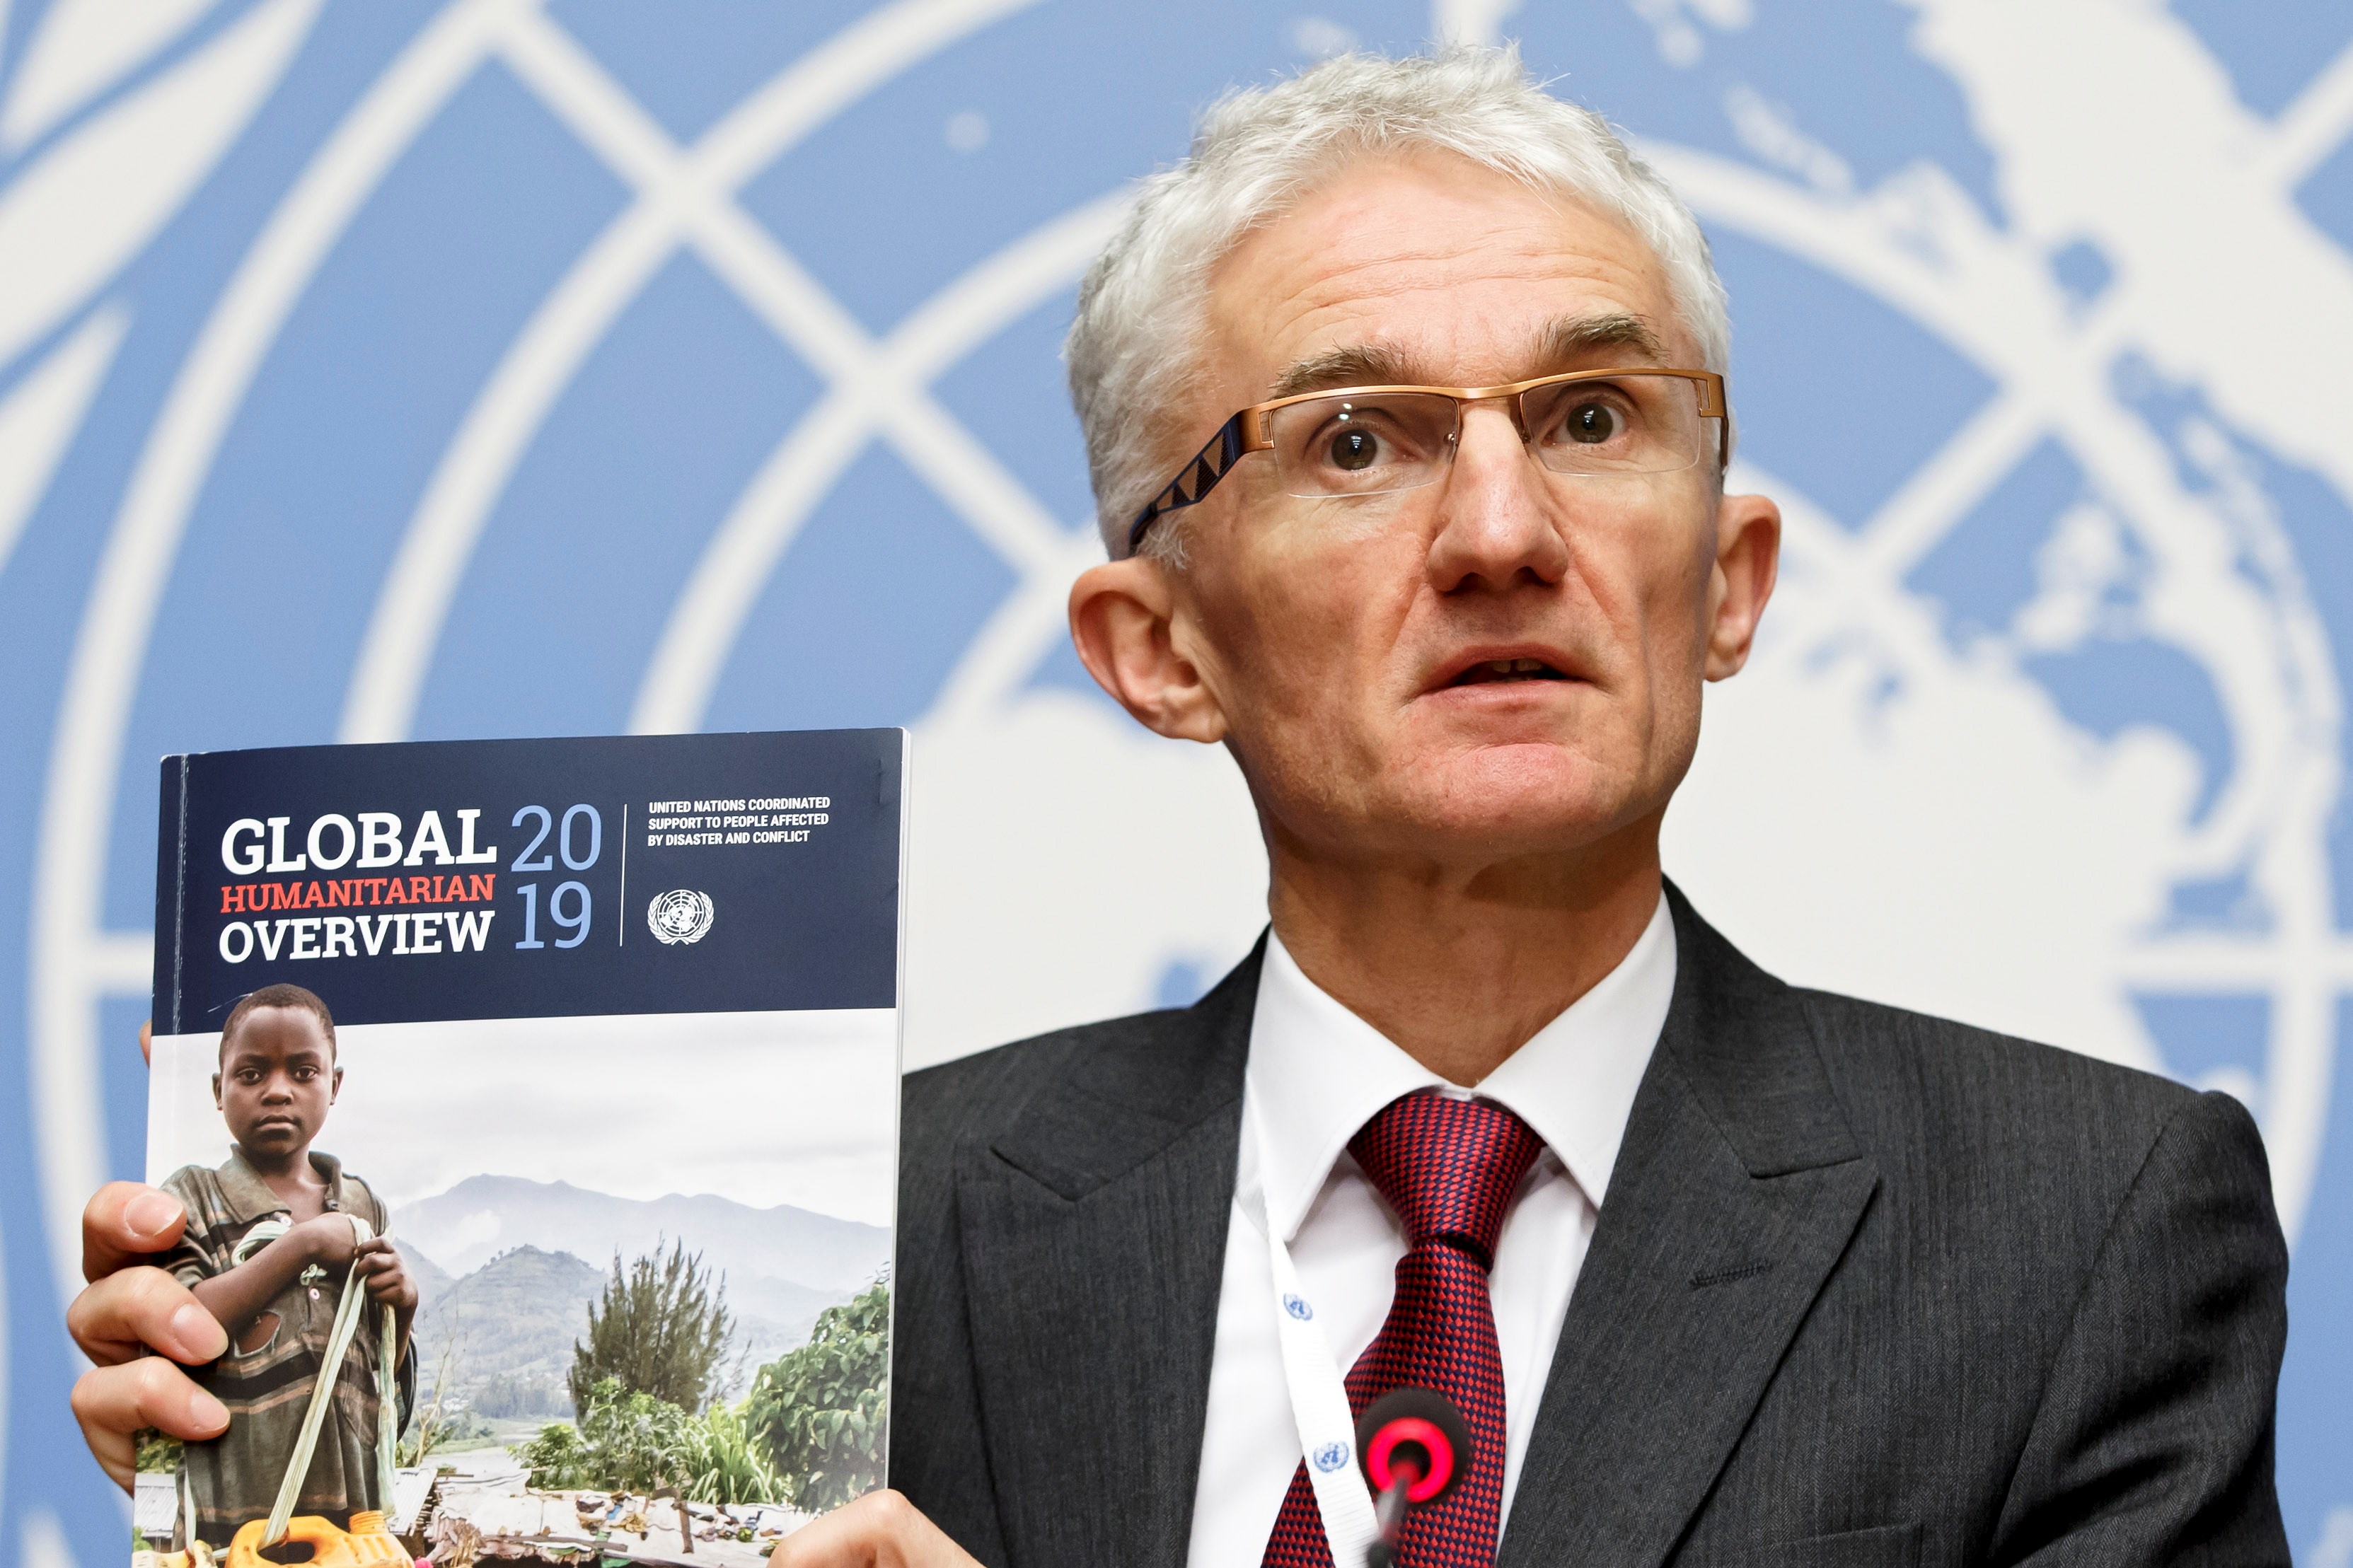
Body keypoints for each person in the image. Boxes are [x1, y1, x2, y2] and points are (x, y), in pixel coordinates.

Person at [73, 47, 2285, 1567]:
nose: (1505, 524)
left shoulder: (2078, 1229)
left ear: (1726, 582)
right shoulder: (891, 1230)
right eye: (1355, 441)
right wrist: (246, 1454)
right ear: (1158, 649)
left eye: (1594, 411)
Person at [145, 983, 416, 1547]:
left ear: (333, 1084)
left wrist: (404, 1306)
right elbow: (181, 1330)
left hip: (350, 1529)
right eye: (251, 1075)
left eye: (303, 1071)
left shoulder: (364, 1206)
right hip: (235, 1529)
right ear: (219, 1090)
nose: (277, 1091)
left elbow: (380, 1376)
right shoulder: (193, 1197)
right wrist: (305, 1244)